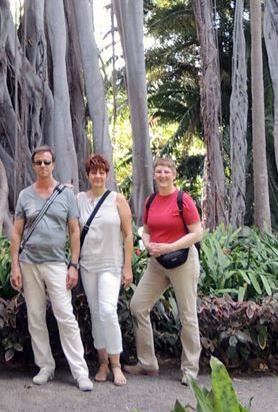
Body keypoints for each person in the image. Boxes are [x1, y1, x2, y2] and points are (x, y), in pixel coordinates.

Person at [9, 145, 93, 392]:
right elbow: (16, 232)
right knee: (35, 316)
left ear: (53, 165)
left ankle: (80, 372)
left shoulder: (66, 195)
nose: (43, 166)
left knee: (65, 315)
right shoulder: (25, 195)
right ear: (33, 166)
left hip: (56, 263)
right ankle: (45, 366)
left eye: (47, 162)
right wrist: (15, 266)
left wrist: (74, 265)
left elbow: (74, 231)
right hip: (29, 263)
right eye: (38, 163)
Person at [126, 156, 204, 387]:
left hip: (183, 262)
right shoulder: (151, 200)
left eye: (166, 171)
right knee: (137, 306)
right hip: (158, 263)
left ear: (174, 175)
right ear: (154, 175)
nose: (162, 175)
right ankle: (147, 363)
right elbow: (146, 230)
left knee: (187, 316)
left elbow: (197, 233)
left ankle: (190, 370)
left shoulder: (183, 200)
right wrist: (146, 243)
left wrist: (170, 247)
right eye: (159, 171)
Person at [76, 153, 134, 386]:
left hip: (111, 263)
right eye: (94, 172)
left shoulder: (117, 199)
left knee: (108, 311)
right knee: (96, 312)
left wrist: (127, 267)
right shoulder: (79, 199)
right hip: (88, 264)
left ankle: (116, 364)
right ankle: (102, 363)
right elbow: (72, 230)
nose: (98, 176)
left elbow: (128, 234)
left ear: (107, 175)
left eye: (102, 172)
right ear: (88, 175)